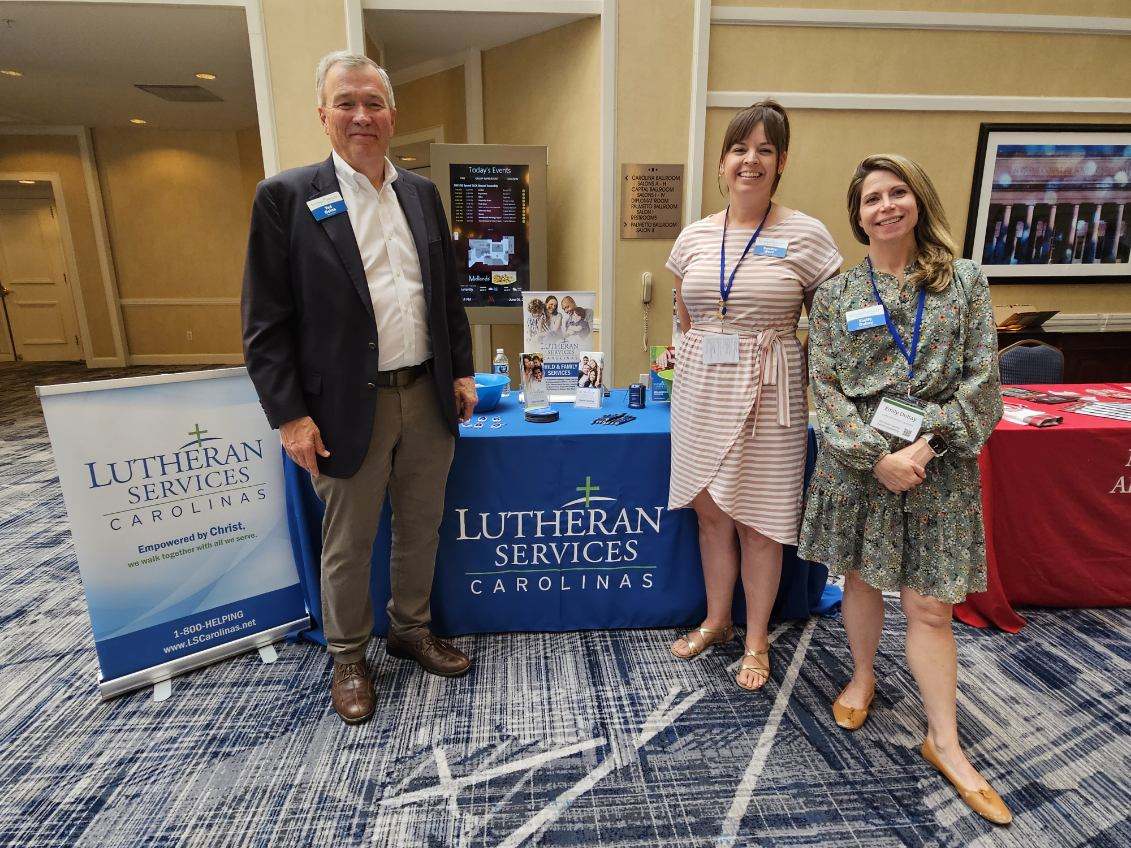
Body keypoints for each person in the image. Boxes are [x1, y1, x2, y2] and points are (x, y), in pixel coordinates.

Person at [241, 51, 477, 726]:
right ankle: (348, 656)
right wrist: (289, 417)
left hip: (425, 397)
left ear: (392, 116)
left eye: (373, 103)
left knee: (421, 525)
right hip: (345, 406)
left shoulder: (420, 194)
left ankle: (410, 630)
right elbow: (265, 324)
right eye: (345, 103)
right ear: (323, 116)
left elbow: (445, 299)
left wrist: (458, 369)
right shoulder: (285, 198)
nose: (361, 116)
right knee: (348, 540)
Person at [798, 154, 1010, 825]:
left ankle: (942, 739)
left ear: (917, 200)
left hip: (936, 467)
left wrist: (923, 445)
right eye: (870, 199)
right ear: (856, 215)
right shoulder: (834, 295)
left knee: (928, 605)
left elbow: (981, 381)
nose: (884, 206)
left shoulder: (962, 282)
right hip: (859, 466)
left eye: (896, 193)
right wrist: (874, 456)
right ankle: (861, 676)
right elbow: (824, 388)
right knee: (860, 578)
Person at [665, 100, 842, 691]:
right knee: (711, 516)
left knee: (759, 522)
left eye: (765, 150)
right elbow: (682, 313)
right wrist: (683, 359)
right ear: (721, 163)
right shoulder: (693, 237)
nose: (751, 160)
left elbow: (835, 327)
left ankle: (758, 638)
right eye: (740, 149)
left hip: (771, 394)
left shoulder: (805, 235)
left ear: (781, 161)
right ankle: (717, 620)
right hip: (702, 393)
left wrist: (825, 388)